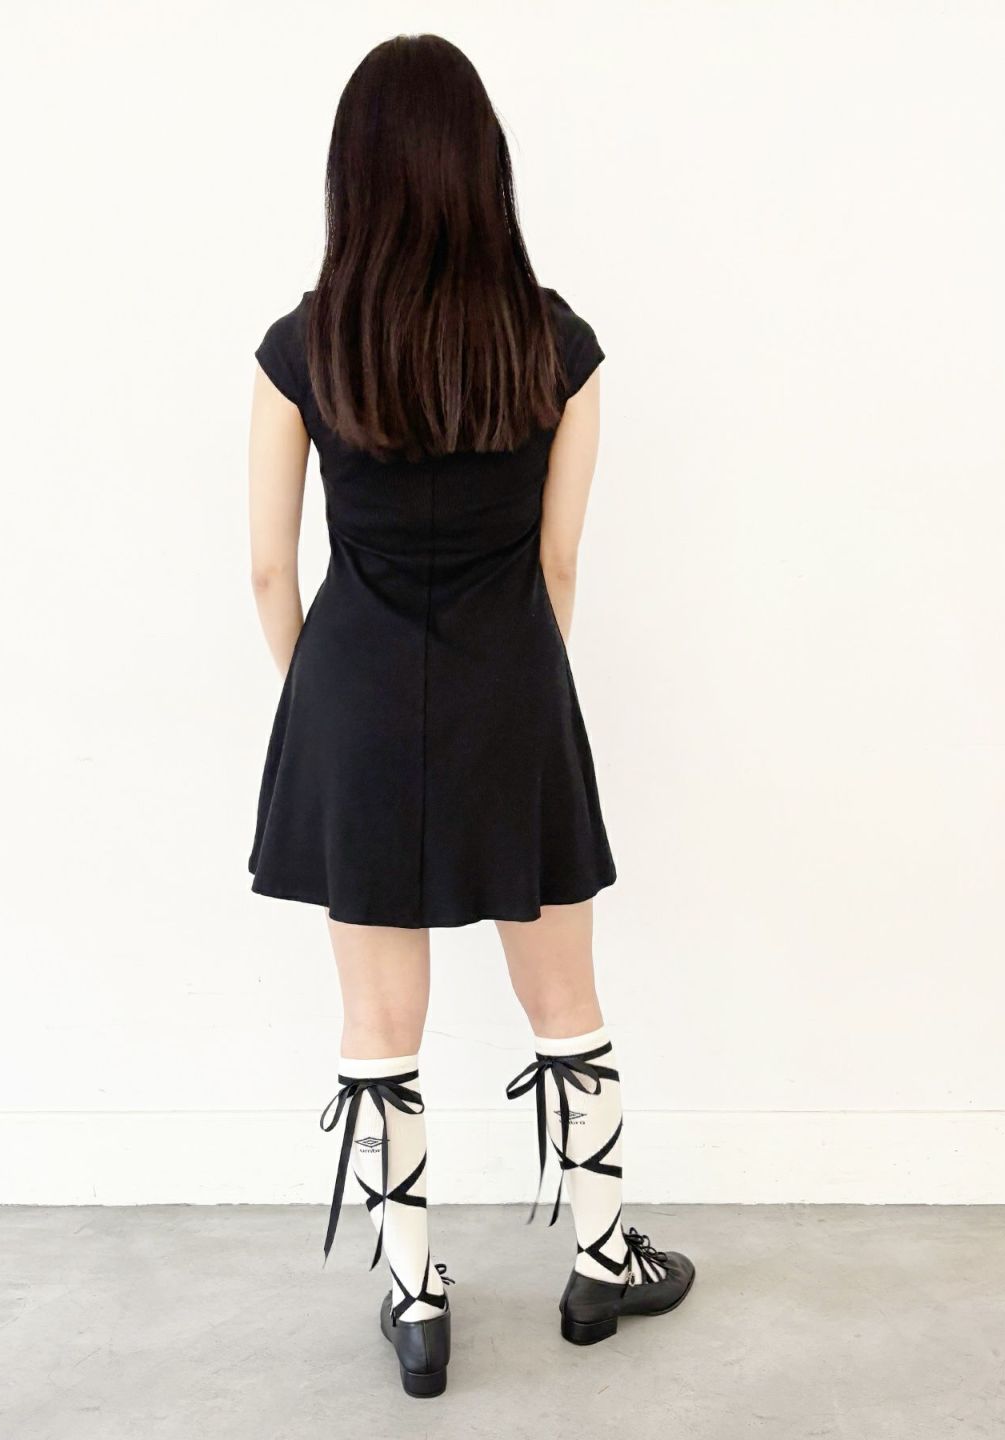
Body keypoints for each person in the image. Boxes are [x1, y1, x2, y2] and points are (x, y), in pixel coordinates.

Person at [246, 33, 694, 1399]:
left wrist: (332, 706)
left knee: (379, 1023)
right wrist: (508, 690)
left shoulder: (304, 345)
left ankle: (416, 1299)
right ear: (482, 168)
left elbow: (269, 571)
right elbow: (558, 563)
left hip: (355, 698)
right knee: (567, 1000)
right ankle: (601, 1260)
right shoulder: (556, 343)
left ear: (354, 174)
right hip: (512, 690)